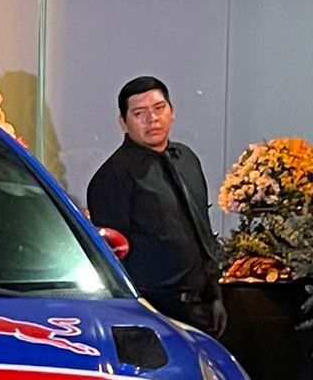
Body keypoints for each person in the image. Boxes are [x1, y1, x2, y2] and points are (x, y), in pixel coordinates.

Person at [86, 75, 226, 335]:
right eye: (139, 113)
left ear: (172, 112)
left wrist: (215, 294)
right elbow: (111, 258)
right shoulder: (113, 176)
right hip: (151, 313)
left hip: (201, 308)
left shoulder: (187, 159)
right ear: (123, 123)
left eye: (159, 108)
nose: (152, 119)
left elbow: (203, 232)